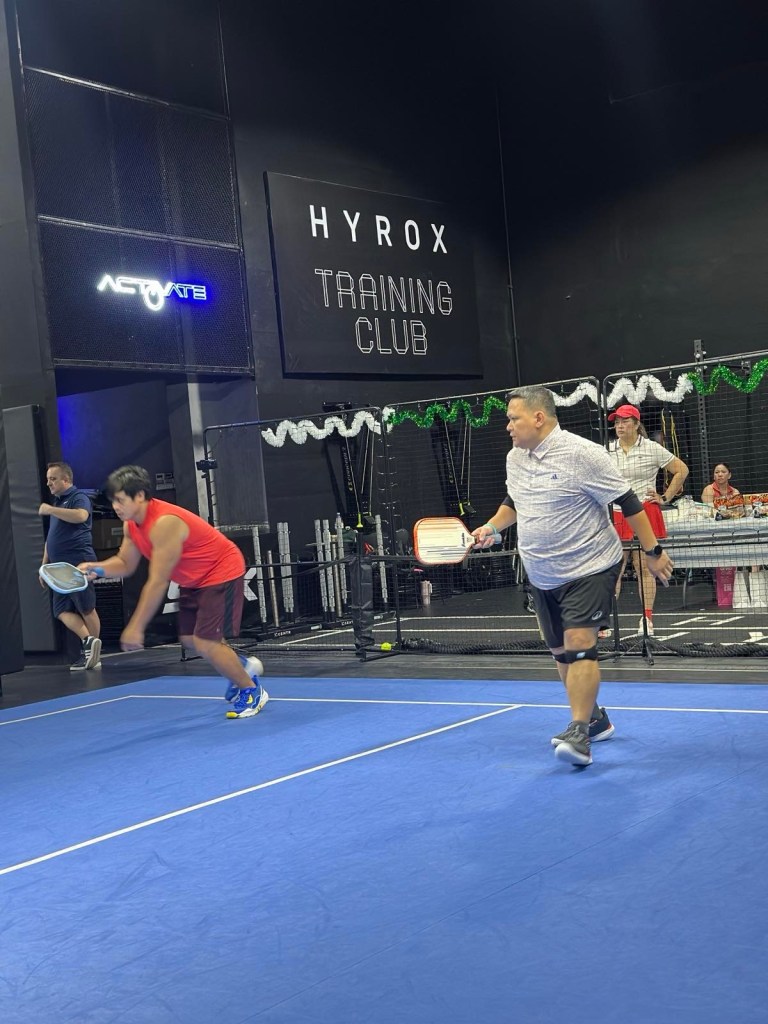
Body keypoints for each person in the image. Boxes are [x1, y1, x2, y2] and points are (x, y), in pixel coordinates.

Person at [472, 386, 673, 767]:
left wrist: (653, 552)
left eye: (513, 418)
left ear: (538, 418)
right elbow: (514, 502)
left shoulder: (583, 454)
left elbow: (628, 500)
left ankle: (579, 733)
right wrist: (491, 528)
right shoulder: (515, 458)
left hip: (590, 566)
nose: (508, 427)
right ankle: (595, 719)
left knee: (579, 642)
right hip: (542, 573)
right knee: (561, 653)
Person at [78, 465, 267, 719]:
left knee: (206, 642)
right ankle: (241, 668)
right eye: (113, 501)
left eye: (120, 500)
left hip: (221, 569)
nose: (116, 507)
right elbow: (125, 564)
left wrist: (136, 626)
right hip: (194, 578)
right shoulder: (131, 525)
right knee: (189, 639)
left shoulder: (164, 523)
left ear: (140, 496)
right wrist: (97, 569)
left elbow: (157, 582)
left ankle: (251, 690)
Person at [607, 404, 688, 636]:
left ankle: (647, 619)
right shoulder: (607, 450)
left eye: (624, 421)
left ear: (636, 424)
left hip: (644, 511)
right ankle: (604, 621)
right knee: (614, 568)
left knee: (644, 567)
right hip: (616, 512)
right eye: (616, 422)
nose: (619, 426)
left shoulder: (652, 448)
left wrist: (665, 497)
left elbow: (681, 470)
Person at [39, 461, 102, 671]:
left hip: (78, 562)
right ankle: (89, 642)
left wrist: (51, 509)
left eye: (53, 479)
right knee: (61, 610)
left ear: (66, 480)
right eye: (48, 479)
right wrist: (44, 566)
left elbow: (81, 516)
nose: (49, 483)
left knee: (86, 607)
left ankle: (94, 656)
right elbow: (51, 538)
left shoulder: (78, 497)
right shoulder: (58, 502)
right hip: (58, 568)